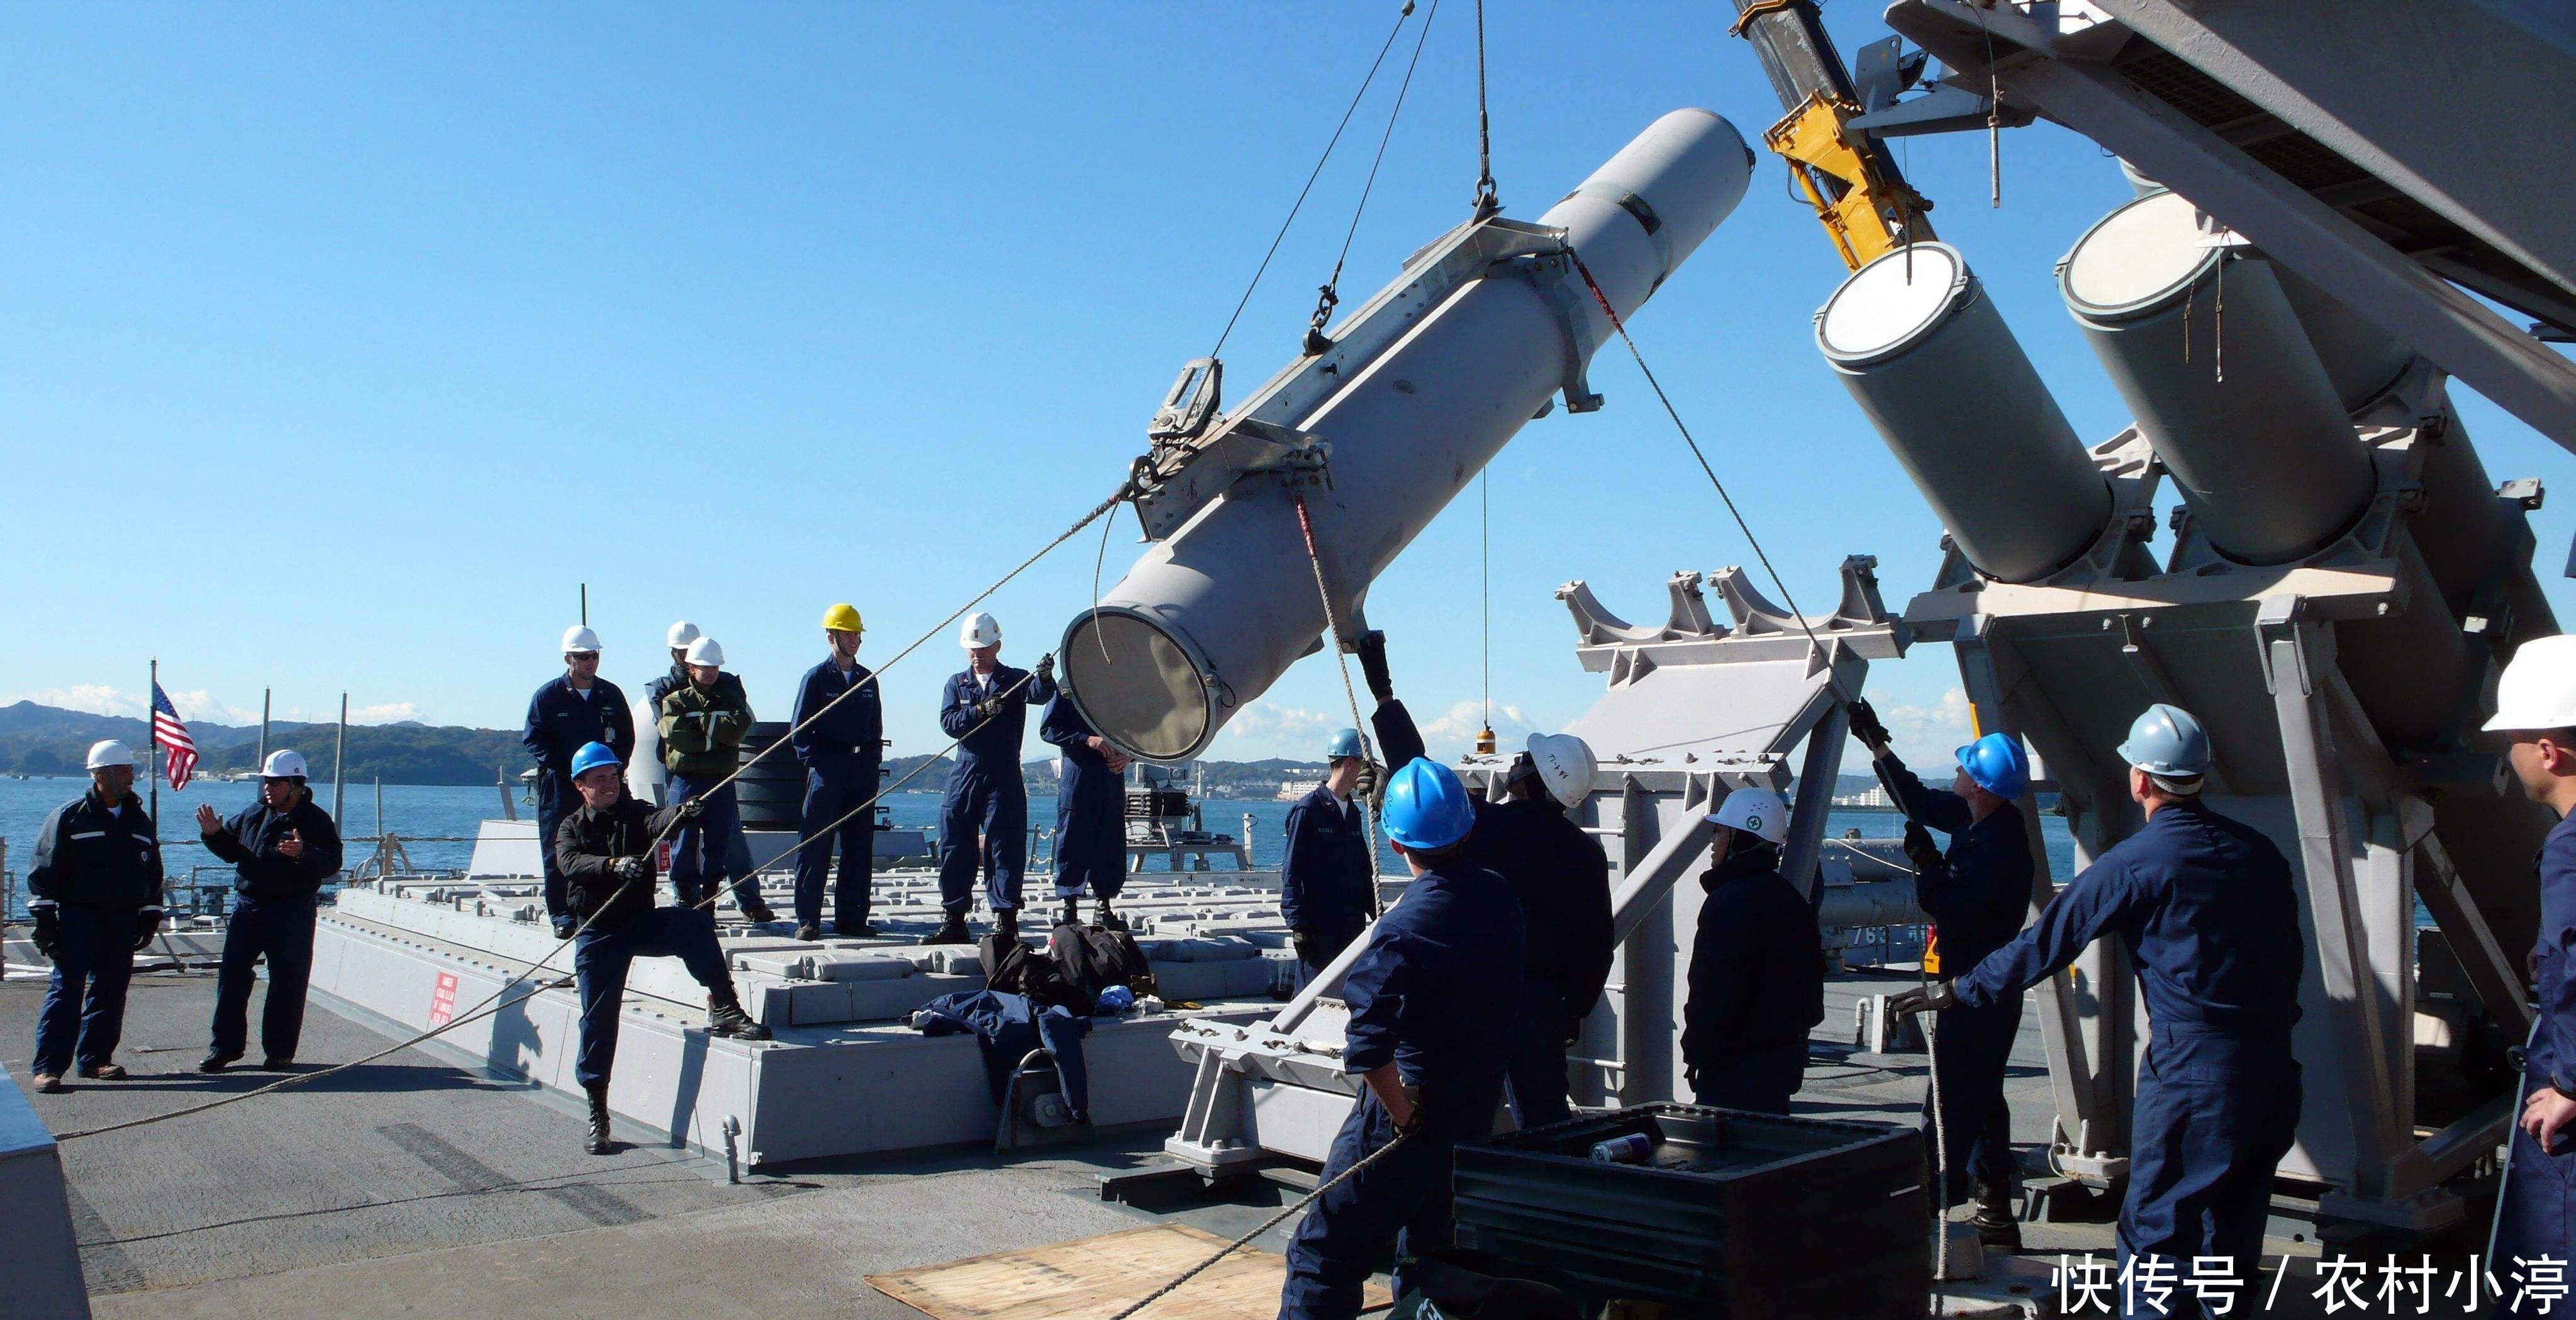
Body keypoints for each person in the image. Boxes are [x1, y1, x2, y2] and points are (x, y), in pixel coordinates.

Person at [1890, 703, 2302, 1317]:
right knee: (2231, 1244)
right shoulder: (2260, 853)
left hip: (2194, 1074)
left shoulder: (2139, 862)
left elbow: (2045, 944)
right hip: (2272, 1072)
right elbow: (2288, 951)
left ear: (2138, 779)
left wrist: (1956, 990)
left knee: (2157, 1236)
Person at [1278, 758, 1525, 1320]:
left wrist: (1399, 1112)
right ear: (1467, 829)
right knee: (1431, 1255)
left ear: (1394, 843)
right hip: (1470, 1115)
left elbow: (1367, 1043)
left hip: (1407, 1116)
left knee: (1323, 1254)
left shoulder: (1404, 925)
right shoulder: (1499, 898)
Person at [1849, 699, 2034, 1250]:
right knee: (1981, 1100)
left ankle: (1923, 1217)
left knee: (1950, 1103)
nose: (1954, 773)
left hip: (1974, 994)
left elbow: (1951, 910)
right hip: (1982, 993)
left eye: (1962, 769)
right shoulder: (1986, 819)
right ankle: (1996, 1214)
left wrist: (1928, 867)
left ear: (1977, 785)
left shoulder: (1996, 848)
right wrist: (1878, 747)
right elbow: (1918, 800)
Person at [552, 742, 771, 1154]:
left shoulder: (633, 813)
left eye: (613, 776)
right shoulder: (571, 826)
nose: (609, 784)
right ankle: (598, 1108)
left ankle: (724, 1007)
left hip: (638, 923)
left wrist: (682, 813)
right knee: (598, 1021)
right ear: (580, 786)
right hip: (598, 933)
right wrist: (612, 866)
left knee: (692, 924)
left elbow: (657, 821)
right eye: (598, 779)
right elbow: (569, 862)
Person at [2477, 635, 2576, 1280]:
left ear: (2546, 750)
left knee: (2553, 1258)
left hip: (2567, 1080)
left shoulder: (2570, 849)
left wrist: (2569, 1083)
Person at [1468, 732, 1613, 1129]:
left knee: (1462, 1115)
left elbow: (1425, 788)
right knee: (1546, 1122)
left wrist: (1386, 706)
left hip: (1478, 997)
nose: (1513, 765)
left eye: (1522, 760)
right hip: (1543, 1006)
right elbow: (1598, 946)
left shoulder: (1485, 825)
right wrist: (1573, 1010)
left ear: (1535, 780)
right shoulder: (1586, 854)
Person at [25, 741, 164, 1093]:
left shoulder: (138, 820)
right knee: (66, 990)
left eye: (131, 770)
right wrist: (45, 921)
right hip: (78, 919)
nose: (132, 776)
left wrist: (149, 916)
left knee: (111, 992)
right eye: (124, 770)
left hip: (121, 920)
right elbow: (44, 870)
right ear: (101, 774)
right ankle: (49, 1067)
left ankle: (96, 1060)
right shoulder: (69, 817)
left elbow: (152, 873)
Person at [195, 750, 345, 1073]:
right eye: (266, 781)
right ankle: (224, 1048)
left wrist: (304, 853)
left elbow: (333, 862)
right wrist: (213, 835)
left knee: (287, 983)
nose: (268, 788)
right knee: (232, 977)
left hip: (292, 911)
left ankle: (279, 1052)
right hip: (248, 908)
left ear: (295, 785)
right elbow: (232, 852)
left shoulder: (315, 820)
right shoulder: (255, 813)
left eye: (275, 783)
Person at [1680, 786, 1824, 1114]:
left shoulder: (1727, 903)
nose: (1713, 842)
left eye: (1719, 831)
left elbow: (1713, 993)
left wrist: (1697, 1054)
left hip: (1732, 1072)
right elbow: (1810, 999)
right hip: (1777, 1070)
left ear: (1741, 839)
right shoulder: (1791, 901)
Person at [928, 612, 1056, 946]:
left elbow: (1039, 694)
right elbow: (950, 723)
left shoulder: (1014, 680)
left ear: (997, 646)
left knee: (1005, 845)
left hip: (1003, 772)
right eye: (972, 648)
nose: (977, 654)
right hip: (966, 770)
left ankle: (1005, 919)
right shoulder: (957, 684)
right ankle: (954, 917)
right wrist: (981, 711)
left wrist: (1044, 676)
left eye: (982, 648)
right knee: (955, 843)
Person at [523, 625, 636, 934]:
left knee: (611, 845)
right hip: (562, 786)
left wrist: (612, 772)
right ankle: (562, 915)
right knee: (558, 850)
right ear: (568, 658)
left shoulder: (610, 695)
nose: (590, 662)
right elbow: (534, 740)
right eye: (583, 656)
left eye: (594, 656)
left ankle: (610, 907)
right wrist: (571, 772)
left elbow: (626, 737)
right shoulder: (548, 697)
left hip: (605, 786)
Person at [656, 635, 774, 922]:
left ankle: (708, 899)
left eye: (714, 667)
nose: (710, 672)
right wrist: (717, 739)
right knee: (683, 841)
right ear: (690, 667)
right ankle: (685, 899)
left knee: (718, 842)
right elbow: (678, 737)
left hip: (720, 781)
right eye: (704, 667)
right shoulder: (674, 700)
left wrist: (702, 726)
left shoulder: (730, 697)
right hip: (686, 781)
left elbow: (737, 730)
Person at [790, 603, 883, 941]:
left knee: (859, 848)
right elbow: (799, 733)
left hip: (860, 772)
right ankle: (808, 919)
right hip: (827, 771)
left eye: (857, 634)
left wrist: (870, 765)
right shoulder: (815, 679)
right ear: (832, 637)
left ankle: (852, 918)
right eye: (848, 634)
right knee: (815, 847)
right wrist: (819, 765)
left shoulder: (867, 680)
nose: (855, 640)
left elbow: (876, 729)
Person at [1280, 729, 1376, 978]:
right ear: (1351, 763)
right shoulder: (1308, 810)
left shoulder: (1353, 814)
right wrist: (1297, 925)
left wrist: (1378, 913)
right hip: (1319, 929)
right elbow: (1292, 871)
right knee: (1312, 997)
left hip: (1351, 927)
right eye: (1366, 765)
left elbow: (1363, 869)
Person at [1039, 690, 1129, 929]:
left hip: (1111, 774)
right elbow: (1048, 729)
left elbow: (1144, 730)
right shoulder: (1067, 688)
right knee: (1072, 839)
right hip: (1077, 774)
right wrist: (1086, 739)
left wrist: (1130, 756)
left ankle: (1104, 905)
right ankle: (1070, 908)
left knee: (1110, 839)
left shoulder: (1125, 687)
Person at [644, 620, 701, 710]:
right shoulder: (661, 689)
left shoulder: (721, 682)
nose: (689, 657)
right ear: (673, 654)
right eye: (683, 652)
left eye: (692, 651)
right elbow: (664, 722)